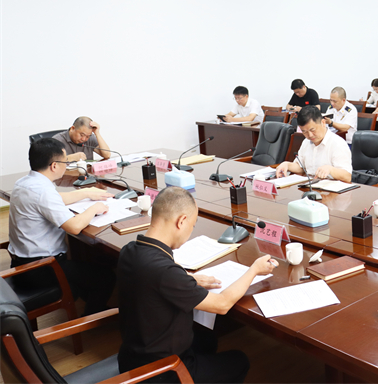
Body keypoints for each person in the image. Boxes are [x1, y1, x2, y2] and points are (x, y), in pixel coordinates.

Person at [117, 187, 277, 383]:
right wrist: (254, 270)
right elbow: (222, 304)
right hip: (164, 371)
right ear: (181, 221)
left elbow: (157, 275)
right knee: (239, 360)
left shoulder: (129, 250)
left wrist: (187, 278)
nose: (190, 232)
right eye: (192, 226)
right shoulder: (165, 273)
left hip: (133, 356)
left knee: (208, 340)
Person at [9, 138, 115, 315]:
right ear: (54, 166)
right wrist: (94, 208)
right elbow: (74, 227)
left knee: (90, 268)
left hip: (22, 263)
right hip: (41, 268)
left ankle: (90, 302)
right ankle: (91, 318)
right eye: (66, 162)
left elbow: (55, 199)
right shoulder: (42, 191)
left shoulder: (25, 183)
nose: (67, 166)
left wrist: (87, 193)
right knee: (106, 277)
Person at [276, 106, 352, 182]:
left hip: (330, 187)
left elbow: (347, 176)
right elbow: (301, 167)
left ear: (323, 123)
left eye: (312, 130)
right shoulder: (306, 142)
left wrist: (330, 170)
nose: (310, 135)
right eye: (304, 132)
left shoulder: (338, 143)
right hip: (309, 185)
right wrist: (287, 165)